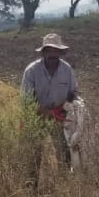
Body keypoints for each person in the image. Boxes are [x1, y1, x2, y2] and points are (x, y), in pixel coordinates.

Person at [21, 32, 79, 165]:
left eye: (56, 51)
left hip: (60, 117)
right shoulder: (31, 71)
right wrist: (46, 113)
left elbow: (73, 92)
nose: (53, 55)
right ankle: (31, 184)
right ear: (43, 52)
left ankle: (64, 180)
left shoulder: (67, 70)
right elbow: (26, 100)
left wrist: (68, 107)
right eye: (49, 51)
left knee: (64, 152)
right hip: (36, 116)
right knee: (33, 155)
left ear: (60, 53)